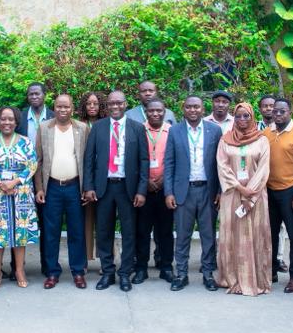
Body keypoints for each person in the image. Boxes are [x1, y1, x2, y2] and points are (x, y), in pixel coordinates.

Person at [83, 90, 148, 291]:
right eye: (112, 103)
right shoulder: (99, 127)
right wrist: (89, 186)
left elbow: (144, 161)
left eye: (119, 103)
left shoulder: (137, 128)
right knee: (104, 232)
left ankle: (125, 273)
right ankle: (108, 273)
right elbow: (89, 159)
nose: (115, 106)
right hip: (104, 187)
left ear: (125, 104)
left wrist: (141, 190)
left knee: (129, 233)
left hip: (128, 188)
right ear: (107, 105)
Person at [164, 95, 223, 291]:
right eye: (189, 107)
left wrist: (220, 191)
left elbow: (221, 163)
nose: (193, 110)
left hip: (208, 190)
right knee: (182, 235)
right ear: (183, 109)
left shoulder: (214, 130)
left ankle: (208, 274)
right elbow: (169, 163)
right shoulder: (174, 131)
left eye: (196, 107)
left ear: (203, 109)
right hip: (184, 191)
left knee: (208, 235)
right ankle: (181, 274)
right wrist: (169, 192)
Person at [216, 102, 273, 295]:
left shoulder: (262, 140)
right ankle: (231, 278)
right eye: (238, 116)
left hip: (256, 196)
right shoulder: (225, 140)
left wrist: (250, 193)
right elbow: (222, 167)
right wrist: (240, 188)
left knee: (256, 235)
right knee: (231, 235)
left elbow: (264, 169)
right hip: (232, 194)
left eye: (246, 115)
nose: (242, 119)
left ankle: (256, 280)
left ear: (252, 117)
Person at [0, 106, 39, 289]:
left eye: (10, 119)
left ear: (16, 122)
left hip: (21, 192)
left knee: (20, 231)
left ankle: (19, 270)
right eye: (3, 119)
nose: (7, 122)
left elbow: (32, 164)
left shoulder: (26, 142)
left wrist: (14, 182)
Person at [34, 94, 89, 289]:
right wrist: (39, 188)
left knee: (77, 231)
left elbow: (88, 160)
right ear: (54, 107)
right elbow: (38, 160)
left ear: (72, 108)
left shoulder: (82, 128)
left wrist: (87, 188)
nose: (62, 110)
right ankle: (52, 272)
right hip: (52, 188)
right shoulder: (44, 128)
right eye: (59, 106)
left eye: (66, 107)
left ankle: (78, 271)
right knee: (51, 232)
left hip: (75, 187)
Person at [264, 98, 293, 293]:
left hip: (291, 190)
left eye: (282, 111)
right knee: (271, 233)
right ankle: (272, 271)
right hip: (269, 190)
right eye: (275, 111)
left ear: (290, 112)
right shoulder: (267, 133)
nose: (278, 114)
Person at [131, 99, 175, 284]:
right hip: (144, 190)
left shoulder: (172, 130)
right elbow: (132, 159)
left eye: (159, 110)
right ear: (146, 112)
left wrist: (163, 180)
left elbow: (175, 159)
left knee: (165, 231)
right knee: (142, 231)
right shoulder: (138, 130)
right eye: (151, 111)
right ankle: (141, 269)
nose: (155, 114)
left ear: (164, 112)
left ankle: (166, 268)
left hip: (165, 189)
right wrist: (145, 182)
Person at [16, 84, 54, 273]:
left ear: (44, 95)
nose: (34, 96)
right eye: (30, 94)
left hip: (47, 176)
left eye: (37, 93)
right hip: (21, 177)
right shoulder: (20, 118)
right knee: (19, 221)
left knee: (47, 223)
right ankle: (17, 268)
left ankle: (47, 266)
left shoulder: (54, 116)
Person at [78, 90, 105, 262]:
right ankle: (85, 259)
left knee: (104, 221)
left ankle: (106, 259)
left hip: (103, 178)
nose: (92, 106)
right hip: (84, 178)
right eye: (88, 103)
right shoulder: (78, 125)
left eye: (95, 103)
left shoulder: (107, 124)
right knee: (86, 221)